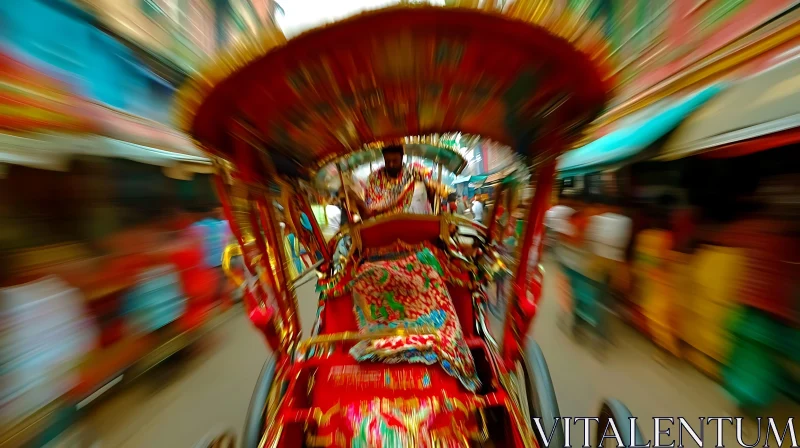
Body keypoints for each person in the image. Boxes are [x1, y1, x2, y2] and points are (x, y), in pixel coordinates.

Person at [349, 145, 436, 218]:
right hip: (384, 225)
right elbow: (371, 208)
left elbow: (431, 186)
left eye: (395, 161)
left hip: (414, 221)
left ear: (402, 158)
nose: (391, 165)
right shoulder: (374, 177)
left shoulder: (414, 171)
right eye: (387, 161)